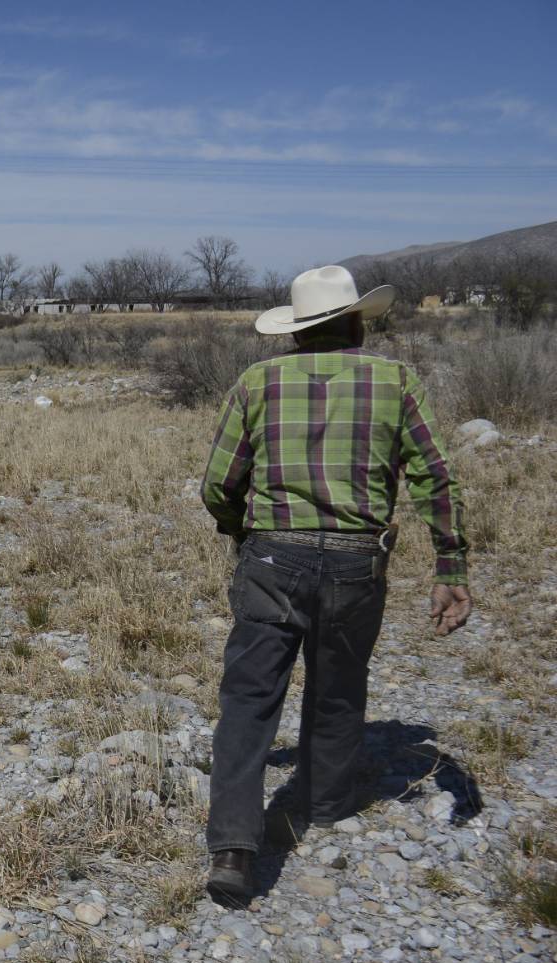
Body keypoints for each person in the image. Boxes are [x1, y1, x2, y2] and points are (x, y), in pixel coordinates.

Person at [199, 265, 472, 905]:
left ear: (297, 329)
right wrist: (450, 566)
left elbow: (218, 484)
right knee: (341, 684)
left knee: (249, 699)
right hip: (357, 562)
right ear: (355, 320)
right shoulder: (396, 381)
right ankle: (323, 803)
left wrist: (242, 534)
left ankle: (235, 848)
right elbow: (436, 476)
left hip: (273, 560)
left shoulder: (256, 383)